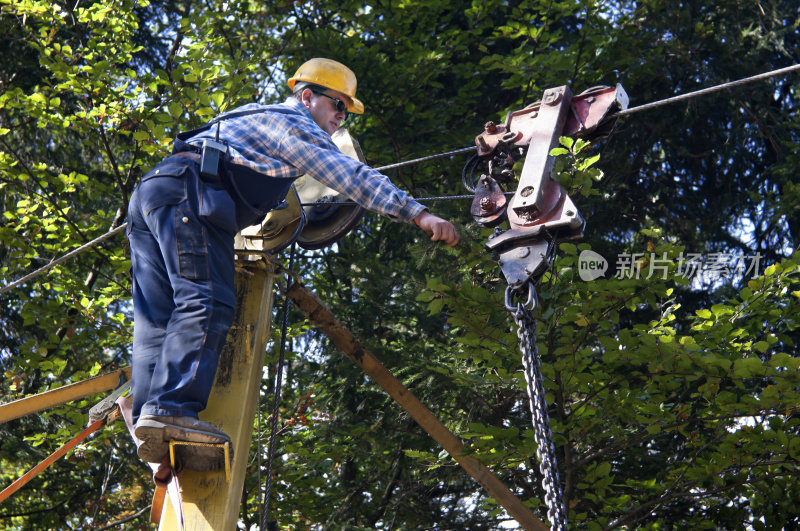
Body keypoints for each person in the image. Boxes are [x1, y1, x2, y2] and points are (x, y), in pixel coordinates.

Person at [126, 58, 459, 470]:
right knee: (207, 299)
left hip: (155, 193)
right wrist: (418, 213)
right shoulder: (292, 124)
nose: (340, 117)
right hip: (189, 196)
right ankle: (170, 408)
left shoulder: (254, 120)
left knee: (157, 319)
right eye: (338, 105)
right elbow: (349, 175)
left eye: (345, 110)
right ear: (307, 96)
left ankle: (150, 420)